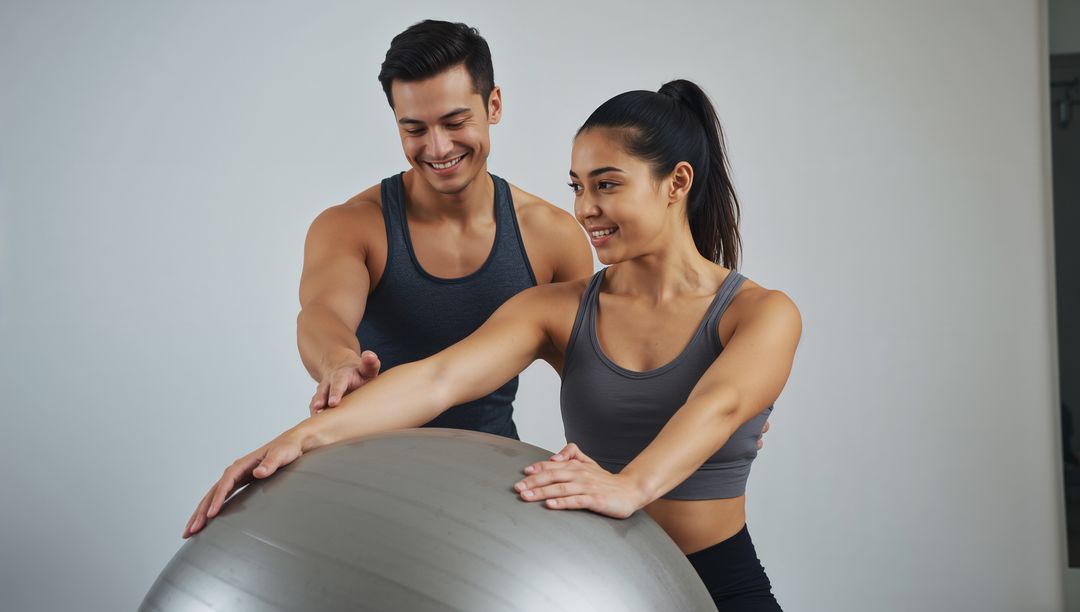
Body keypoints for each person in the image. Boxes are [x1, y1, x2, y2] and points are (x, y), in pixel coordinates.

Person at [188, 78, 799, 609]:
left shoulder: (761, 314)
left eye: (607, 185)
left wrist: (631, 485)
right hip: (595, 580)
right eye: (577, 186)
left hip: (721, 581)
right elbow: (437, 379)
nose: (586, 208)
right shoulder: (555, 310)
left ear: (677, 183)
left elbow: (714, 405)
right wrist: (295, 439)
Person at [297, 19, 593, 438]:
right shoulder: (352, 225)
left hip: (489, 474)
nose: (437, 148)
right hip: (368, 472)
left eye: (455, 123)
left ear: (494, 106)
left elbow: (587, 379)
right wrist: (339, 361)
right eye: (414, 129)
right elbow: (321, 312)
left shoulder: (553, 237)